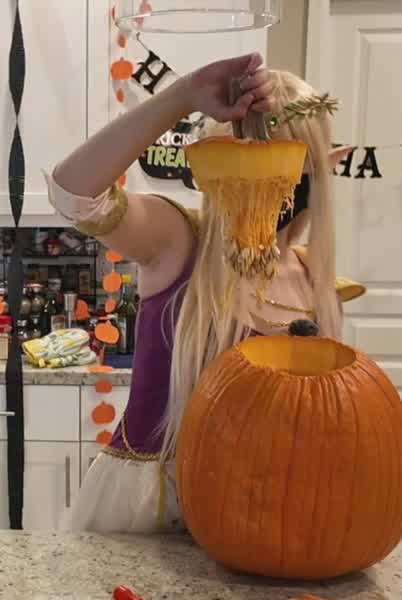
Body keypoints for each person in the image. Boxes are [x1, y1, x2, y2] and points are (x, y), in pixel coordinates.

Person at [44, 52, 364, 533]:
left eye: (286, 164)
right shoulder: (178, 241)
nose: (266, 181)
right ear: (217, 167)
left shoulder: (316, 283)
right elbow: (73, 192)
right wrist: (183, 96)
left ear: (321, 170)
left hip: (265, 512)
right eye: (246, 161)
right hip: (155, 512)